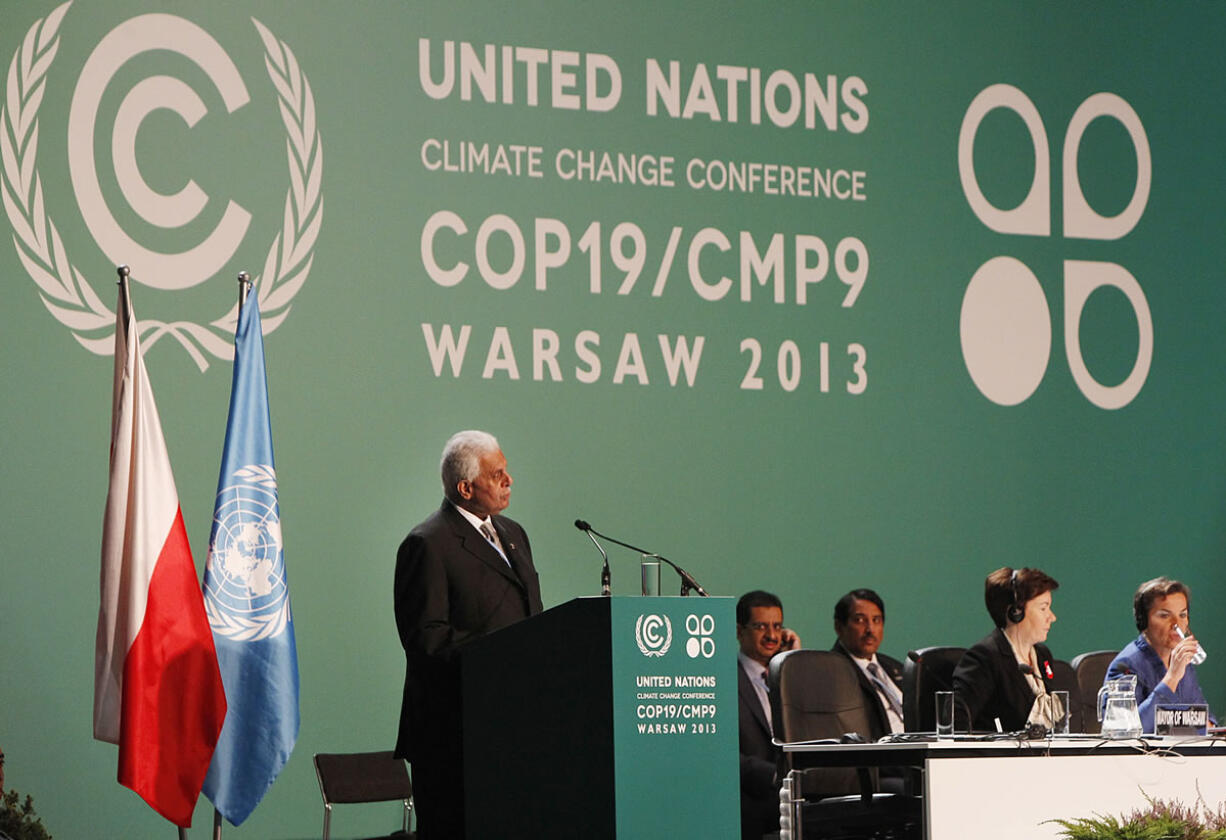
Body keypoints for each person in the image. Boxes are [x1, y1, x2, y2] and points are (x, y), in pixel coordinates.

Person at [393, 430, 543, 840]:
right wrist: (501, 657)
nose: (509, 480)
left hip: (515, 727)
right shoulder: (428, 544)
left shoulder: (514, 533)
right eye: (498, 475)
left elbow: (530, 616)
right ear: (466, 487)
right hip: (454, 736)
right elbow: (427, 642)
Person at [953, 567, 1061, 733]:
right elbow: (957, 728)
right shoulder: (984, 658)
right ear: (1015, 612)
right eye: (1043, 608)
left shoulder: (1042, 656)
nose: (1052, 617)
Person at [1105, 576, 1214, 733]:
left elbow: (1204, 718)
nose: (1176, 624)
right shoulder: (1125, 666)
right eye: (1164, 615)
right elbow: (1127, 730)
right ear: (1144, 621)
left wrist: (1209, 726)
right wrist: (1172, 678)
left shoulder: (1183, 662)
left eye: (1182, 615)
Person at [736, 590, 801, 840]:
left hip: (799, 782)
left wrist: (792, 660)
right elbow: (719, 750)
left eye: (777, 626)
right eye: (761, 627)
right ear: (740, 631)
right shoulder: (723, 679)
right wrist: (773, 775)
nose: (772, 636)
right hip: (756, 788)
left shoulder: (787, 676)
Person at [831, 589, 905, 738]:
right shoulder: (831, 671)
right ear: (839, 627)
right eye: (860, 620)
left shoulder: (895, 667)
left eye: (876, 620)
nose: (870, 629)